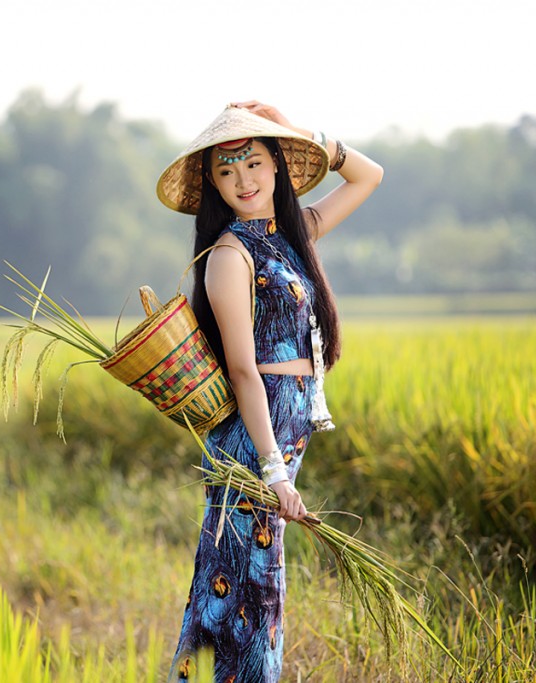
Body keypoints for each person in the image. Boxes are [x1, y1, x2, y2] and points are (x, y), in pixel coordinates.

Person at [155, 101, 384, 682]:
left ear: (278, 165)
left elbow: (369, 175)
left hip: (285, 428)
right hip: (252, 441)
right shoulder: (230, 256)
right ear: (213, 183)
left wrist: (300, 133)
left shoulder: (293, 235)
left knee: (254, 583)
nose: (244, 182)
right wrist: (273, 469)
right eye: (227, 172)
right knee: (244, 585)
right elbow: (242, 371)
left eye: (255, 163)